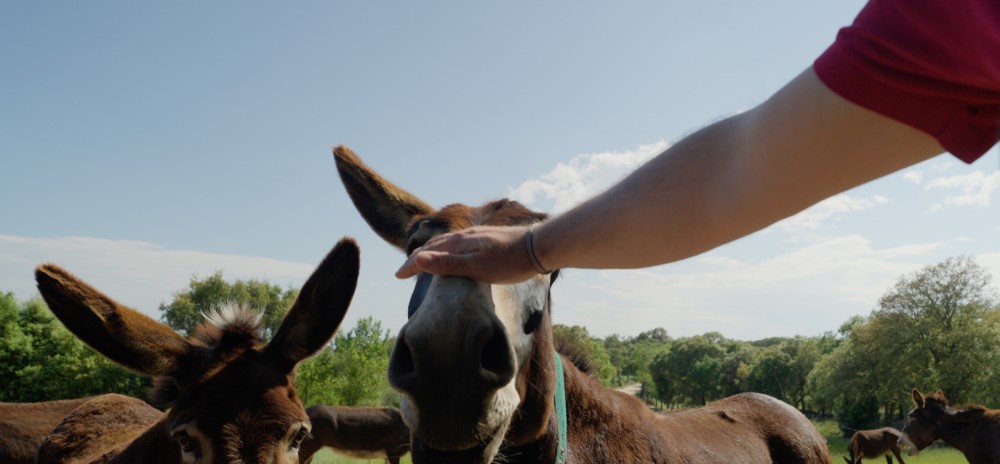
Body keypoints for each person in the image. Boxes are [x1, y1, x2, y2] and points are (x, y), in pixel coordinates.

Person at [396, 0, 1000, 285]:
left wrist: (534, 249)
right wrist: (533, 248)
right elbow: (740, 167)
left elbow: (740, 169)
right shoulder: (944, 17)